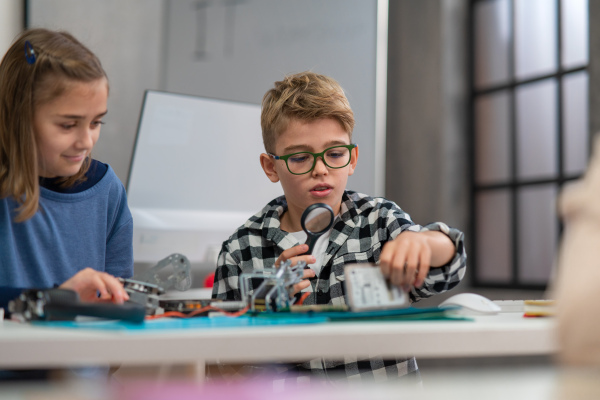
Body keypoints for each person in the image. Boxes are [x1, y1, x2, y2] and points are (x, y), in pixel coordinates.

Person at [212, 71, 467, 381]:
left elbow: (448, 267)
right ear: (271, 167)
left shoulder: (379, 221)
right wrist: (266, 314)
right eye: (300, 158)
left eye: (334, 154)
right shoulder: (240, 250)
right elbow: (221, 369)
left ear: (352, 158)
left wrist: (426, 243)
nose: (320, 170)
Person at [0, 28, 132, 314]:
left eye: (96, 123)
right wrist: (56, 300)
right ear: (18, 117)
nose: (86, 141)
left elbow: (120, 307)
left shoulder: (107, 191)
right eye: (67, 125)